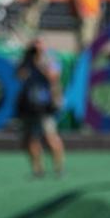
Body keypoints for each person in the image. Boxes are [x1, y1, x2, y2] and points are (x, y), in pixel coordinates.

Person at [16, 39, 65, 177]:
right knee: (30, 139)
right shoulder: (26, 62)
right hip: (28, 106)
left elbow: (54, 77)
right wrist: (27, 57)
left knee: (50, 137)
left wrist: (40, 61)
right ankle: (38, 169)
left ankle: (59, 167)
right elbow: (19, 76)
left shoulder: (49, 59)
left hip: (45, 106)